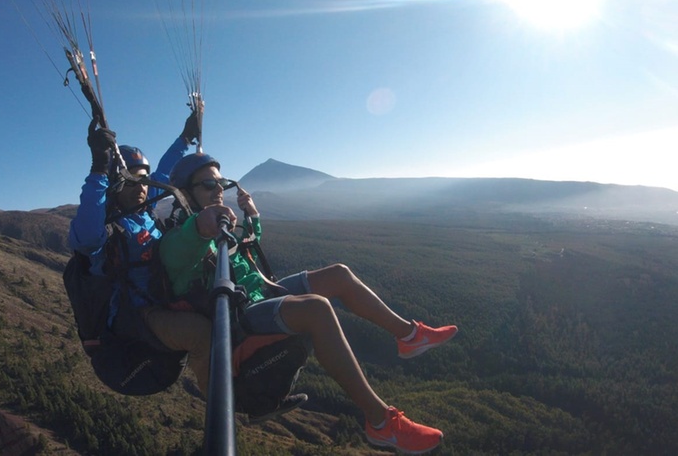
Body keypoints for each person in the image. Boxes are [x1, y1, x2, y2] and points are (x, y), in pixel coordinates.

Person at [160, 152, 458, 454]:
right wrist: (199, 226)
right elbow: (178, 250)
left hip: (259, 293)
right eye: (208, 184)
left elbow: (244, 248)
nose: (218, 190)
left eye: (221, 182)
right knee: (317, 309)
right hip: (239, 316)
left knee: (338, 275)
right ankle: (381, 422)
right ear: (185, 194)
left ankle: (409, 335)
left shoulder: (217, 225)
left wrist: (253, 217)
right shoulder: (179, 237)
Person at [67, 111, 213, 395]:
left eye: (143, 180)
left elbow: (161, 174)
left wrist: (185, 138)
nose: (141, 187)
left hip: (164, 298)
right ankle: (220, 403)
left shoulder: (144, 213)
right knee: (202, 333)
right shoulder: (107, 231)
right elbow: (85, 236)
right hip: (137, 317)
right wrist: (99, 168)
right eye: (131, 181)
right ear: (115, 186)